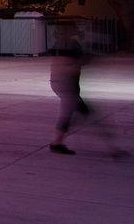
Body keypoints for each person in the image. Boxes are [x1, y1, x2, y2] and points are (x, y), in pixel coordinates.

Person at [49, 25, 124, 157]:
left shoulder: (67, 44)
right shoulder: (65, 45)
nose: (77, 30)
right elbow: (64, 66)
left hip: (67, 87)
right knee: (78, 117)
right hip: (67, 88)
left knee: (76, 116)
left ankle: (57, 143)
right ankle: (113, 149)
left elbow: (71, 64)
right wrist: (85, 61)